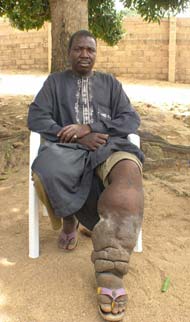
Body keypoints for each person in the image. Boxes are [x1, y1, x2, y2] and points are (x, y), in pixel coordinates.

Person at [28, 30, 144, 322]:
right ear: (68, 53)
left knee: (128, 182)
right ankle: (70, 220)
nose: (84, 54)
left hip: (109, 145)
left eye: (90, 50)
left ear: (96, 54)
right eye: (78, 49)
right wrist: (75, 137)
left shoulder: (110, 83)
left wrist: (90, 128)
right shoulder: (55, 83)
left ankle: (111, 272)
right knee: (48, 170)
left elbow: (130, 119)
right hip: (67, 149)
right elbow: (37, 117)